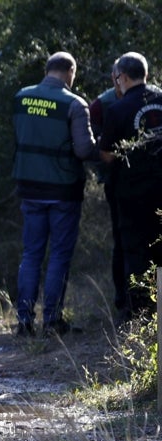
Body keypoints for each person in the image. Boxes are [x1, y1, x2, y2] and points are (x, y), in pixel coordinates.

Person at [11, 52, 95, 337]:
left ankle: (24, 320)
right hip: (63, 191)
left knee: (31, 253)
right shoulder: (74, 104)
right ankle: (51, 321)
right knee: (59, 255)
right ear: (70, 72)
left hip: (29, 188)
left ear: (47, 70)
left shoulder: (21, 97)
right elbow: (84, 150)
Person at [98, 51, 162, 320]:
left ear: (122, 77)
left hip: (132, 193)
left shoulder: (118, 109)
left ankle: (139, 310)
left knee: (134, 249)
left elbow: (107, 154)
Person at [89, 62, 126, 319]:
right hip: (118, 185)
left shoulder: (154, 97)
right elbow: (94, 148)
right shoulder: (101, 104)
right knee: (122, 241)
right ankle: (123, 301)